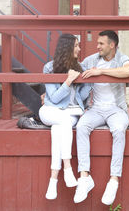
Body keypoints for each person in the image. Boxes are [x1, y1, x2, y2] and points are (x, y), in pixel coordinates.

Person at [73, 30, 129, 205]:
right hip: (95, 109)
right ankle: (84, 177)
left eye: (101, 43)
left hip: (116, 109)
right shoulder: (92, 60)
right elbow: (74, 68)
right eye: (98, 43)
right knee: (82, 126)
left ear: (112, 45)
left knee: (118, 130)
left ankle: (113, 180)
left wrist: (100, 72)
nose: (97, 46)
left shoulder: (121, 58)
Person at [39, 33, 92, 200]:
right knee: (61, 122)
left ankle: (53, 180)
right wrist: (68, 81)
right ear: (67, 48)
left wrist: (88, 82)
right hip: (51, 110)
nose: (79, 49)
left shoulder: (80, 67)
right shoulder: (49, 67)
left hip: (71, 112)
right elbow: (53, 98)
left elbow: (81, 97)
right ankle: (67, 167)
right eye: (76, 46)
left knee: (58, 128)